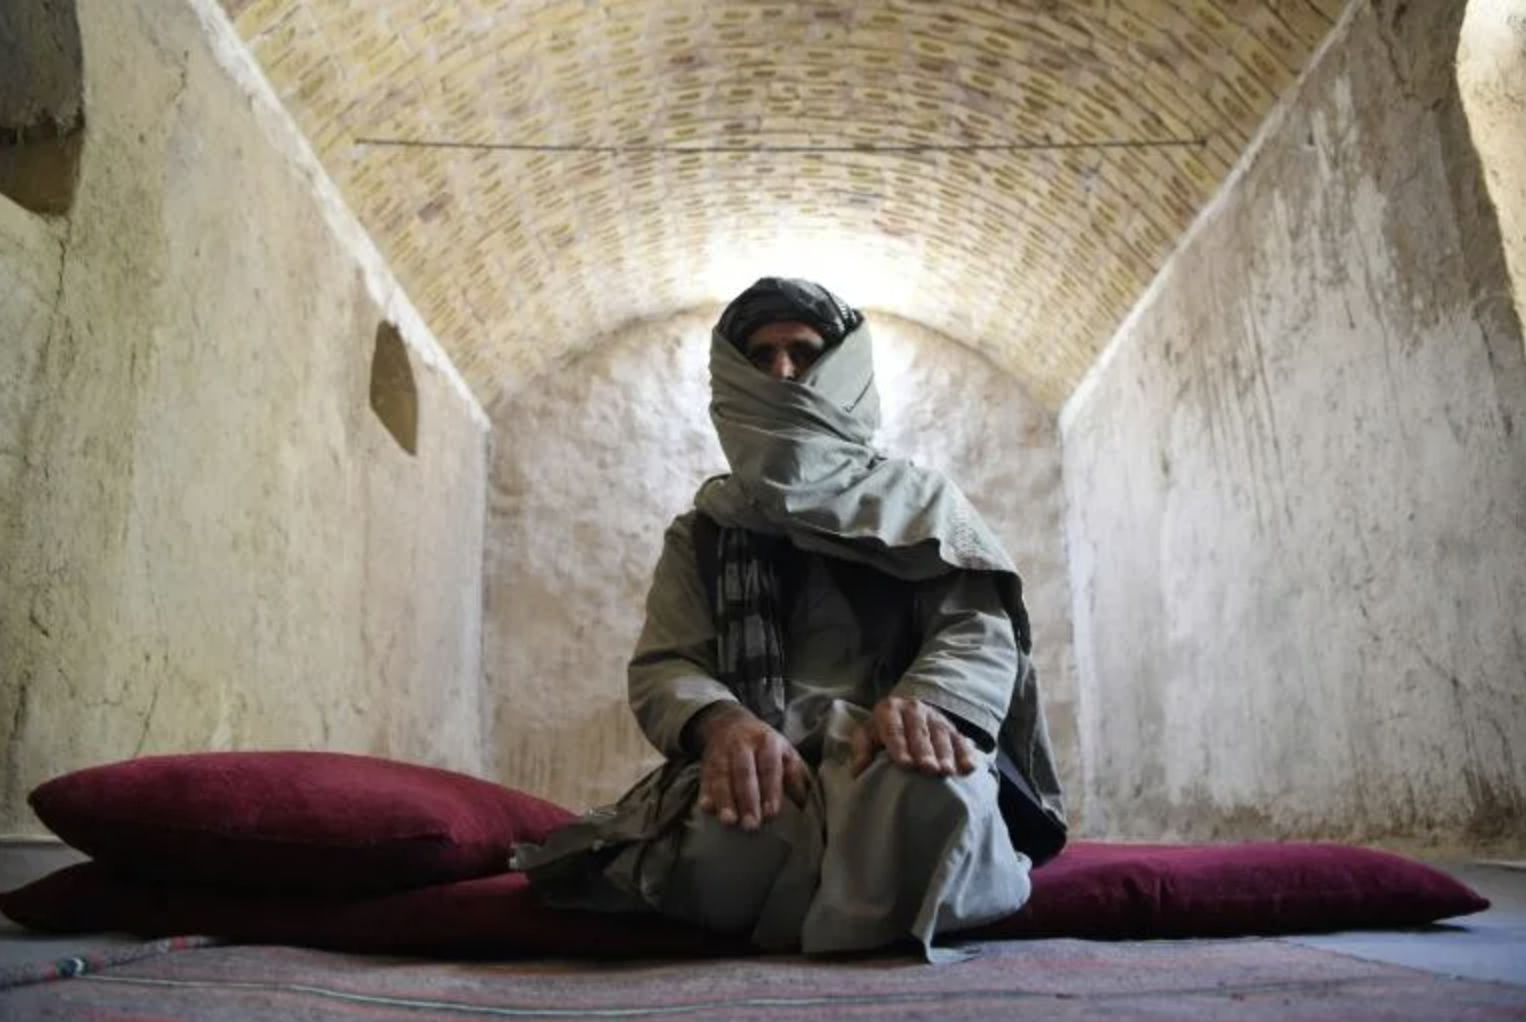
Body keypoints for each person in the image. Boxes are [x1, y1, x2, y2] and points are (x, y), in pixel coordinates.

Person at [512, 277, 1065, 961]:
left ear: (840, 368)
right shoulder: (706, 532)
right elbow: (667, 664)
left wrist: (926, 703)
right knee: (732, 833)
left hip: (889, 752)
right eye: (761, 355)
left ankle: (813, 915)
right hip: (769, 758)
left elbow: (976, 628)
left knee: (934, 801)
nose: (781, 372)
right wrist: (725, 724)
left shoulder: (923, 505)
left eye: (802, 352)